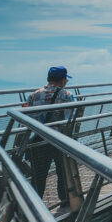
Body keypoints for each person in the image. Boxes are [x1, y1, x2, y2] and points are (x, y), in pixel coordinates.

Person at [25, 66, 75, 195]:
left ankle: (35, 203)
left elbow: (26, 117)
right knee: (63, 170)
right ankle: (65, 199)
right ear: (63, 80)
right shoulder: (67, 96)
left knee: (39, 175)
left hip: (39, 139)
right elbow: (70, 118)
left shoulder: (33, 95)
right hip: (59, 140)